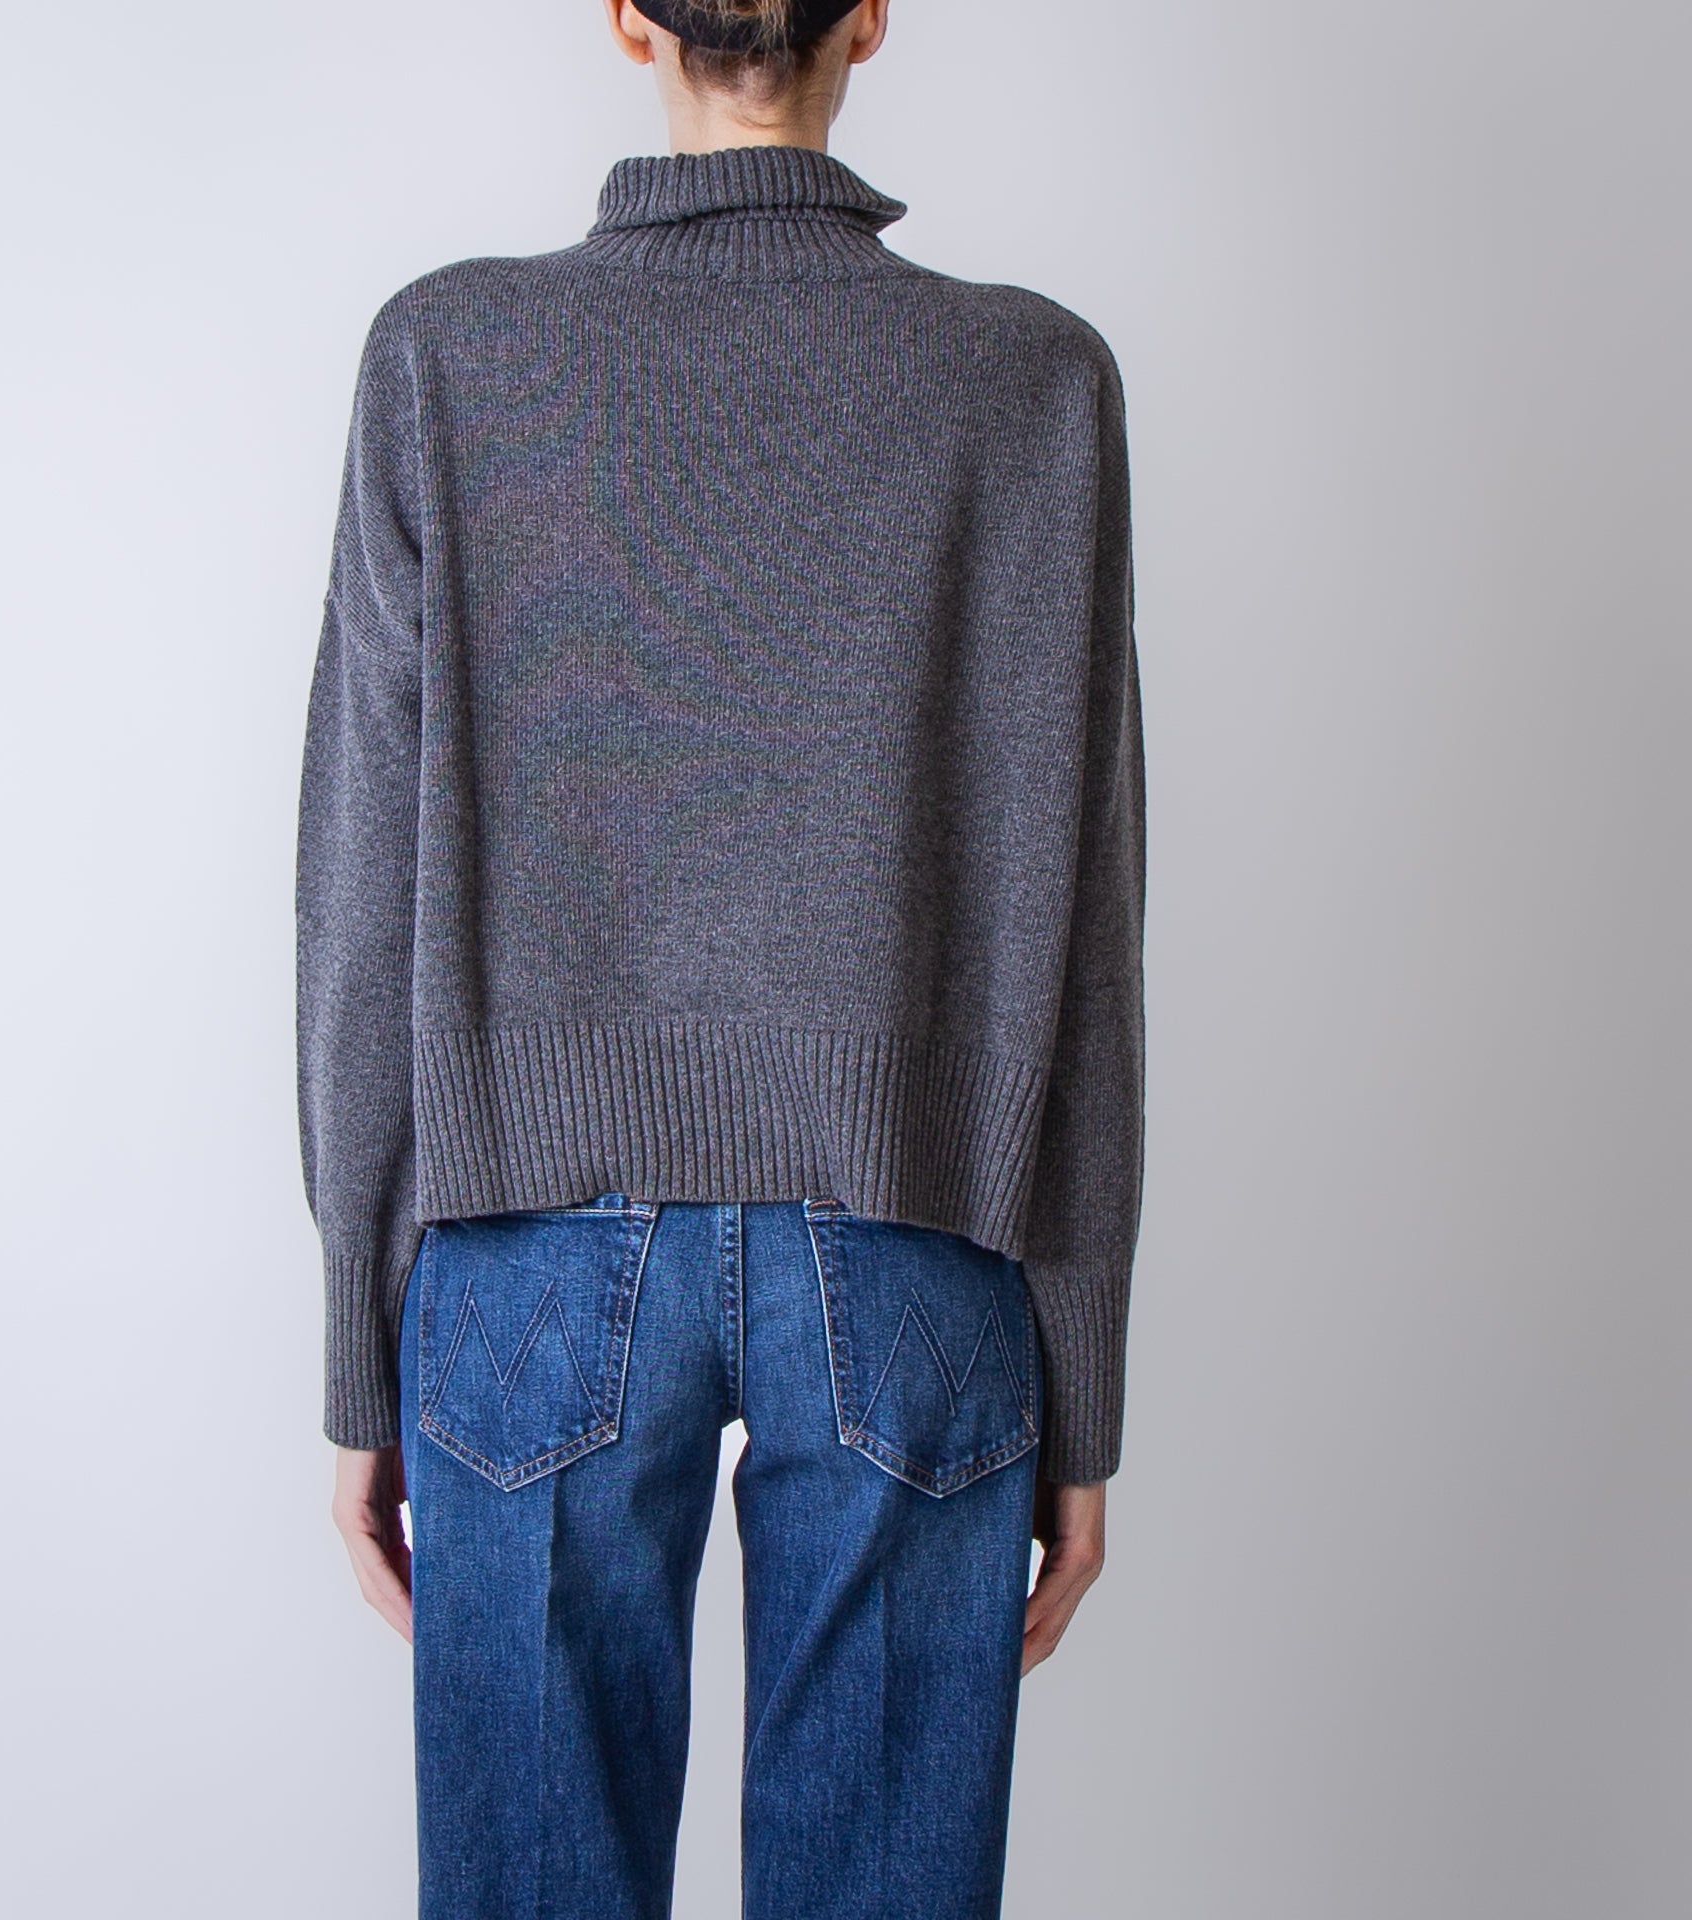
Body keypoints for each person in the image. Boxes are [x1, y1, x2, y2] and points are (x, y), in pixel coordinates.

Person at [294, 2, 1145, 1914]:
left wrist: (361, 1342)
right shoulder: (1035, 381)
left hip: (524, 1262)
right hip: (920, 1246)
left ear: (630, 17)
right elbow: (1082, 911)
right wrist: (1081, 1377)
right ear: (870, 16)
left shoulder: (450, 355)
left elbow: (360, 898)